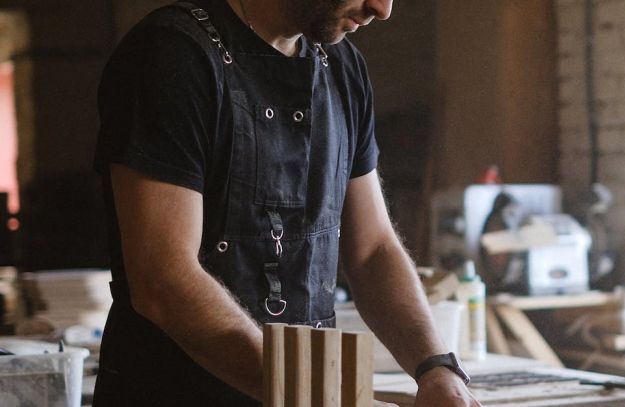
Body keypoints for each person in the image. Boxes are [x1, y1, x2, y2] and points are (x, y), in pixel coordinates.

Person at [93, 0, 482, 405]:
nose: (381, 9)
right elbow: (164, 281)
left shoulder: (341, 66)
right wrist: (309, 391)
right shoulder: (172, 54)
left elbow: (372, 250)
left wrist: (435, 366)